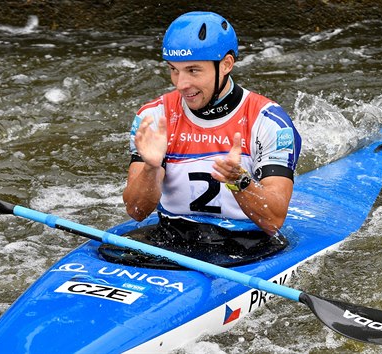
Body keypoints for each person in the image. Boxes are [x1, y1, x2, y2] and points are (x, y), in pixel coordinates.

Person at [122, 11, 301, 246]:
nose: (181, 84)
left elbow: (274, 219)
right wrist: (151, 168)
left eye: (193, 70)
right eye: (174, 69)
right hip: (172, 236)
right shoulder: (154, 116)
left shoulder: (268, 122)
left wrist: (238, 180)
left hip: (244, 242)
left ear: (226, 64)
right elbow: (136, 211)